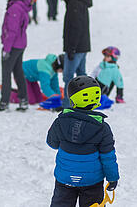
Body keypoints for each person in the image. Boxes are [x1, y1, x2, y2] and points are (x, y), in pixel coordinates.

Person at [46, 75, 119, 207]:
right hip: (92, 181)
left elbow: (52, 143)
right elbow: (108, 157)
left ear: (72, 98)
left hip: (65, 178)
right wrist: (113, 178)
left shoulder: (60, 121)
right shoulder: (103, 128)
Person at [0, 0, 32, 112]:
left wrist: (6, 49)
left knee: (6, 72)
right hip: (21, 44)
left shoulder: (14, 8)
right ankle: (23, 100)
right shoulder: (21, 5)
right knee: (18, 72)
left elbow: (12, 31)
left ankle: (4, 102)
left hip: (13, 45)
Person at [60, 0, 92, 108]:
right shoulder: (79, 2)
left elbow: (76, 28)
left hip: (76, 48)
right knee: (81, 76)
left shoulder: (74, 4)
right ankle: (84, 104)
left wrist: (71, 48)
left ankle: (67, 106)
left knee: (68, 77)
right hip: (83, 46)